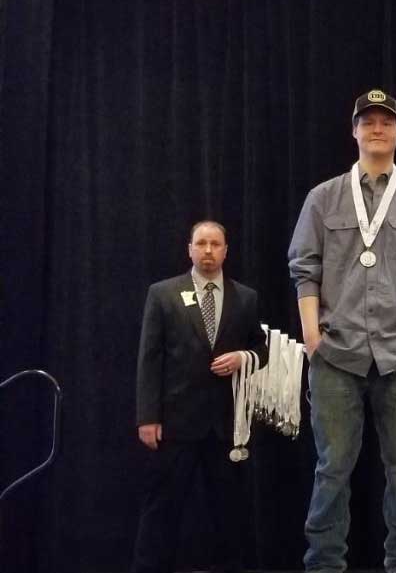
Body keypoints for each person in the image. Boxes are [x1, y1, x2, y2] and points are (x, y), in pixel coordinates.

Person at [288, 89, 396, 573]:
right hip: (336, 355)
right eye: (368, 120)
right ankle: (324, 565)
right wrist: (313, 339)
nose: (377, 128)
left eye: (386, 121)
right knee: (332, 471)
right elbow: (305, 269)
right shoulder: (323, 198)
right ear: (354, 130)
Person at [132, 220, 269, 573]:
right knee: (162, 510)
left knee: (228, 514)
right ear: (189, 249)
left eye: (215, 244)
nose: (208, 250)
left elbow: (261, 348)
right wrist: (148, 416)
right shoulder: (162, 294)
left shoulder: (246, 297)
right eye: (201, 243)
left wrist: (244, 358)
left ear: (226, 250)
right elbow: (150, 358)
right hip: (175, 423)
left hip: (225, 425)